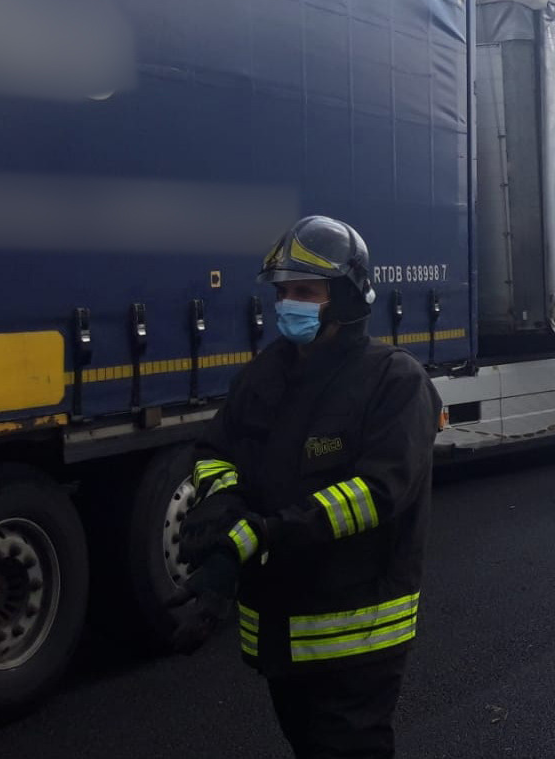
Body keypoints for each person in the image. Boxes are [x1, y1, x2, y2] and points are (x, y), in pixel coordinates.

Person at [172, 215, 442, 759]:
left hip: (356, 634)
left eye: (305, 292)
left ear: (344, 296)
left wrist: (263, 535)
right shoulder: (264, 373)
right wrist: (224, 508)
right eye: (284, 291)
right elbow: (214, 454)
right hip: (278, 631)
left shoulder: (395, 381)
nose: (287, 304)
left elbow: (377, 493)